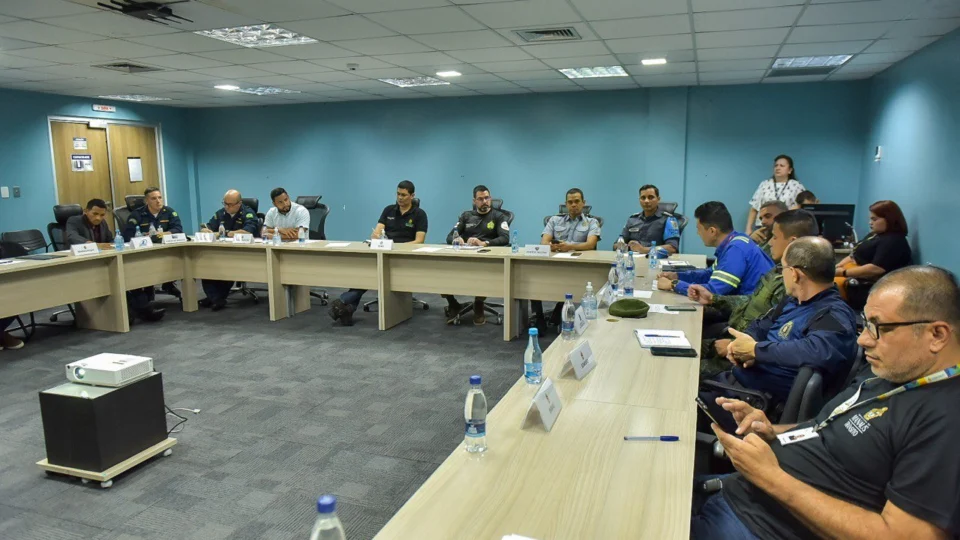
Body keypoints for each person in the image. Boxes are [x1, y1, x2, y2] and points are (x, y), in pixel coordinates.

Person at [691, 265, 960, 540]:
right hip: (738, 492)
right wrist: (772, 430)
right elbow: (825, 428)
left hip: (756, 526)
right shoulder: (893, 371)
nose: (863, 339)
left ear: (937, 335)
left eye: (879, 327)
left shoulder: (946, 419)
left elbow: (905, 535)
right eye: (865, 324)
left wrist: (771, 478)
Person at [714, 237, 859, 404]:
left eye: (781, 268)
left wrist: (757, 351)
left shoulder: (832, 313)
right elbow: (761, 326)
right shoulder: (792, 301)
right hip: (736, 384)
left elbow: (819, 351)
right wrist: (743, 346)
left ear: (794, 274)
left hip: (755, 403)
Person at [691, 210, 820, 377]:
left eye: (775, 237)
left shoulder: (794, 288)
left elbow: (779, 338)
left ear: (792, 243)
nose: (771, 243)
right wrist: (714, 299)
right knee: (684, 347)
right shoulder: (777, 272)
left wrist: (734, 346)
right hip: (737, 339)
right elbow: (752, 302)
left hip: (742, 360)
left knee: (684, 369)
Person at [329, 180, 427, 326]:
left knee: (374, 274)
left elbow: (419, 241)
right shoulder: (388, 210)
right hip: (384, 252)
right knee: (368, 272)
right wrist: (376, 236)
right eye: (398, 194)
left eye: (404, 195)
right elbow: (378, 231)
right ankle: (347, 308)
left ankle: (344, 301)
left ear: (412, 196)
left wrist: (396, 247)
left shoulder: (419, 214)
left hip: (405, 256)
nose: (400, 198)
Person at [657, 201, 773, 297]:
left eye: (699, 229)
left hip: (748, 316)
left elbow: (713, 291)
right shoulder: (736, 240)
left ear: (712, 231)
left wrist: (673, 284)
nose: (698, 233)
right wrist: (678, 275)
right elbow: (710, 274)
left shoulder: (736, 250)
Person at [532, 188, 601, 330]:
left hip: (578, 266)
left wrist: (569, 246)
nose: (573, 205)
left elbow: (591, 244)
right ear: (566, 204)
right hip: (555, 262)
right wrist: (550, 246)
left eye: (577, 201)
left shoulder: (592, 222)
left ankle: (560, 308)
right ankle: (539, 318)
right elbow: (543, 242)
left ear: (583, 203)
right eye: (570, 202)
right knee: (533, 279)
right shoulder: (554, 220)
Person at [442, 185, 510, 325]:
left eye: (487, 198)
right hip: (465, 255)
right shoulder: (466, 216)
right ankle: (453, 304)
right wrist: (456, 239)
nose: (484, 201)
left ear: (490, 199)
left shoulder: (498, 216)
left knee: (482, 271)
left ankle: (479, 303)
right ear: (474, 201)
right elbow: (449, 236)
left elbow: (505, 238)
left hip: (486, 257)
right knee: (442, 269)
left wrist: (484, 243)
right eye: (480, 199)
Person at [835, 200, 912, 310]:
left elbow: (876, 268)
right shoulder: (875, 235)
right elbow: (855, 255)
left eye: (874, 219)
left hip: (873, 288)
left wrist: (843, 272)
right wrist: (838, 266)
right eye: (870, 219)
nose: (870, 223)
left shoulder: (894, 241)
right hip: (857, 277)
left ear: (889, 219)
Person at [198, 189, 259, 311]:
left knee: (228, 269)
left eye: (230, 204)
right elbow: (207, 228)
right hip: (220, 251)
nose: (226, 207)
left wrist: (224, 233)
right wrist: (207, 231)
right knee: (206, 268)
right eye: (225, 203)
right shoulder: (220, 213)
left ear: (239, 203)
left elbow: (248, 231)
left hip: (243, 253)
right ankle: (216, 299)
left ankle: (214, 299)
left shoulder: (248, 213)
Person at [746, 155, 806, 234]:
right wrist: (748, 228)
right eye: (776, 166)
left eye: (782, 166)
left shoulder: (796, 186)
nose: (778, 168)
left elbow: (803, 207)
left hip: (785, 227)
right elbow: (754, 208)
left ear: (790, 170)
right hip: (763, 227)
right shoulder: (765, 184)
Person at [613, 184, 680, 255]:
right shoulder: (632, 220)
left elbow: (672, 248)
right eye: (643, 198)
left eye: (651, 197)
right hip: (633, 260)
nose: (646, 201)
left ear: (658, 199)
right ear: (639, 200)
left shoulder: (669, 220)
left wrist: (644, 250)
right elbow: (616, 244)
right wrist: (622, 246)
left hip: (655, 261)